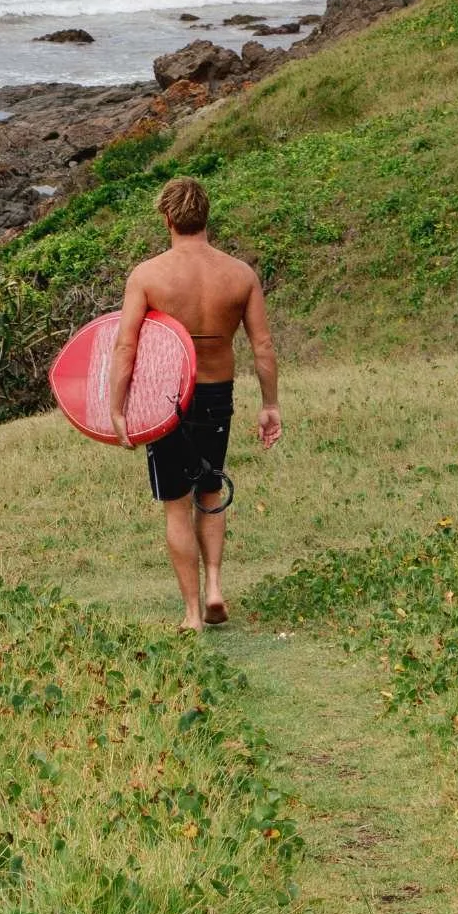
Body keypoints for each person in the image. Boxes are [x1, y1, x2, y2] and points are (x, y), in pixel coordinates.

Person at [109, 176, 280, 630]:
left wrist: (118, 409)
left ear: (167, 218)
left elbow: (125, 346)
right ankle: (216, 588)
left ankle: (191, 613)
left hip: (168, 400)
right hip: (217, 394)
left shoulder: (148, 276)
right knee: (209, 490)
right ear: (206, 217)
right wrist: (270, 404)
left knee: (176, 504)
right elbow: (262, 346)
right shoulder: (240, 275)